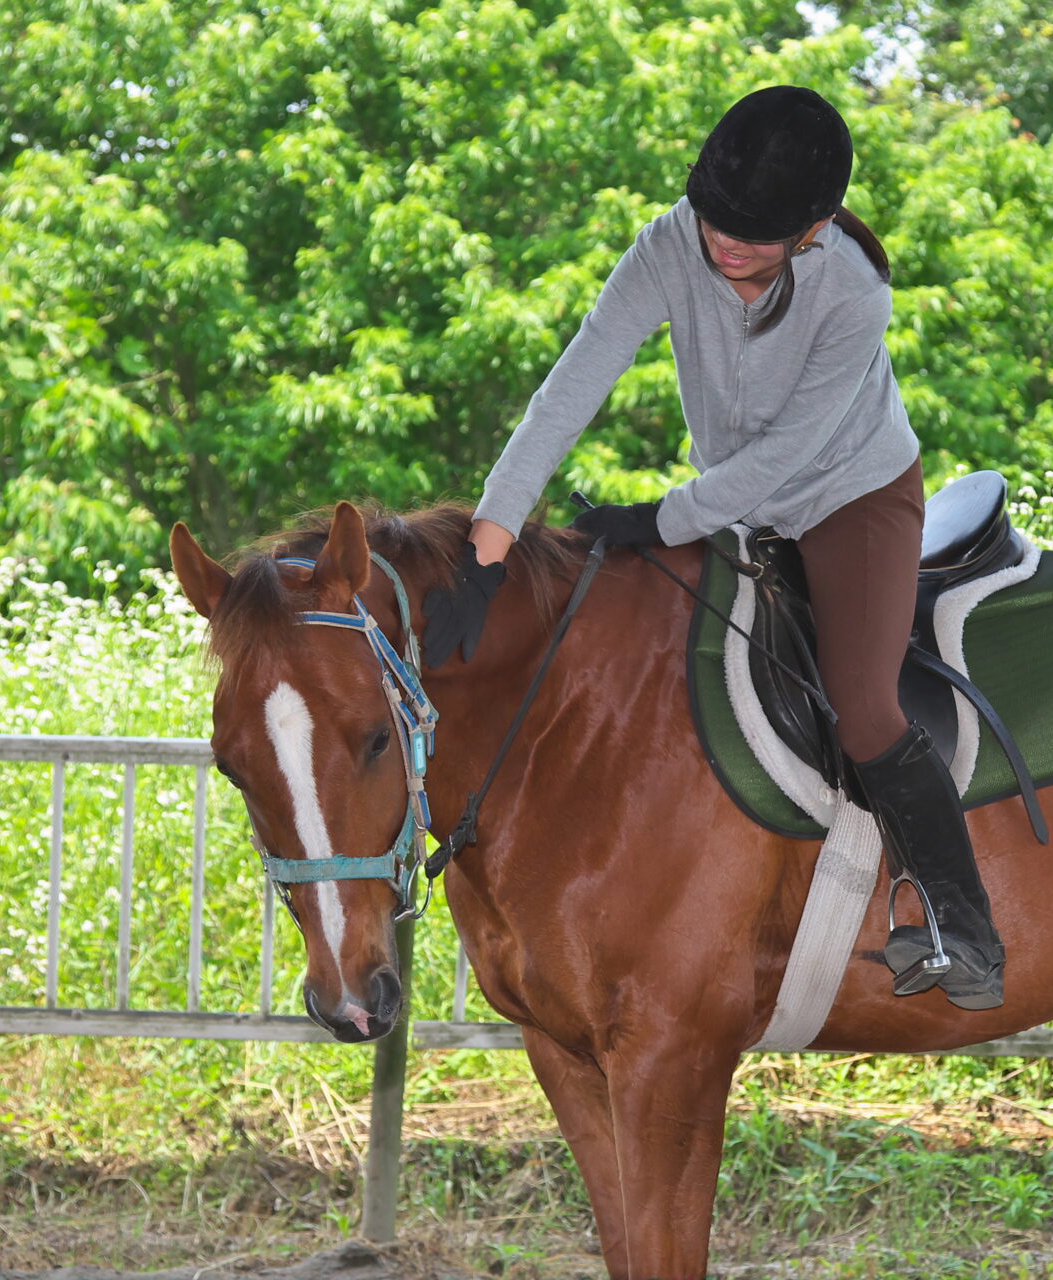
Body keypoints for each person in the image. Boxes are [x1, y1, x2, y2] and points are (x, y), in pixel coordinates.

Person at [422, 85, 1003, 1009]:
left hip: (848, 496)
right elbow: (569, 391)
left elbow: (788, 458)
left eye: (754, 233)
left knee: (861, 705)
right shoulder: (665, 245)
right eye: (715, 220)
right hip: (734, 501)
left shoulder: (855, 288)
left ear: (811, 229)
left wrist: (659, 519)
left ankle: (962, 921)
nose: (724, 244)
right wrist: (488, 546)